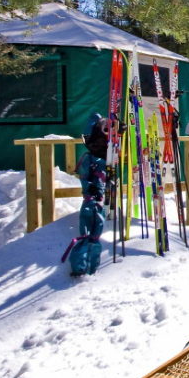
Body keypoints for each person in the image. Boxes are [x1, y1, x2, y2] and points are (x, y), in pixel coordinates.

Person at [65, 112, 107, 276]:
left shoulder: (94, 158)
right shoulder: (90, 159)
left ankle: (87, 265)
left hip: (98, 197)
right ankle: (83, 264)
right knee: (90, 222)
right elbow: (85, 177)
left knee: (95, 223)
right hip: (93, 198)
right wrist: (91, 188)